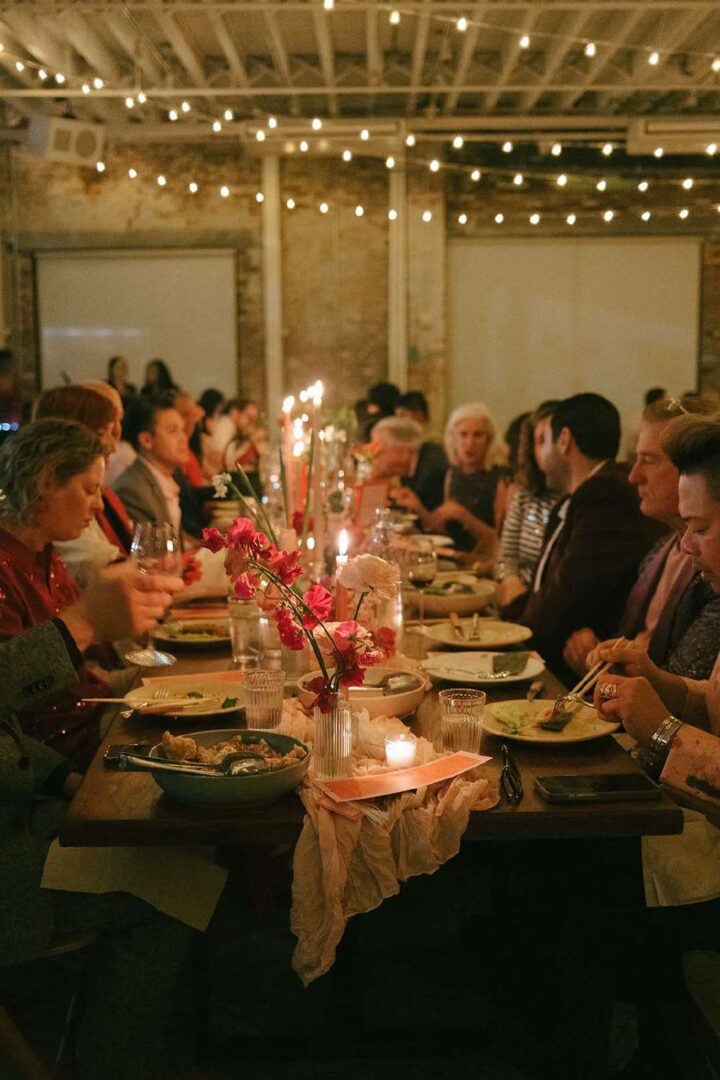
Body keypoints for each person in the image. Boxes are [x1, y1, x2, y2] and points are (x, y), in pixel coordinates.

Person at [0, 565, 202, 1080]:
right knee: (176, 880)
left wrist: (67, 778)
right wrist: (82, 622)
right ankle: (109, 1061)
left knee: (182, 851)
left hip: (26, 809)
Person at [564, 394, 720, 680]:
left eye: (649, 461)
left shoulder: (713, 572)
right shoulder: (660, 549)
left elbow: (691, 689)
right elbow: (632, 646)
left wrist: (609, 672)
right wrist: (598, 653)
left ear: (688, 468)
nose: (633, 476)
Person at [510, 392, 663, 679]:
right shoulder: (583, 495)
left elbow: (568, 596)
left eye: (547, 441)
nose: (634, 475)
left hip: (575, 670)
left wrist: (510, 622)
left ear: (564, 440)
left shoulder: (605, 495)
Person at [0, 419, 122, 766]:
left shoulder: (44, 552)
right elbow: (11, 690)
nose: (99, 504)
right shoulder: (5, 565)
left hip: (93, 725)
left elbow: (83, 675)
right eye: (89, 489)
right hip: (60, 757)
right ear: (46, 483)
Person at [33, 384, 134, 585]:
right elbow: (107, 573)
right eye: (100, 432)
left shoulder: (96, 495)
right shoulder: (55, 511)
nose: (113, 445)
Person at [496, 401, 560, 608]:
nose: (546, 449)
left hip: (550, 605)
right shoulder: (525, 495)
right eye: (539, 441)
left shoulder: (578, 499)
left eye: (549, 440)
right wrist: (511, 581)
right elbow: (507, 556)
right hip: (516, 596)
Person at [431, 402, 509, 554]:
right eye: (463, 434)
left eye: (478, 435)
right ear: (453, 438)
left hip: (485, 563)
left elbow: (500, 541)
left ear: (489, 440)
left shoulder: (501, 478)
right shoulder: (453, 474)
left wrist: (463, 516)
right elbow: (445, 531)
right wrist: (417, 508)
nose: (469, 443)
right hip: (456, 560)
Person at [112, 393, 190, 533]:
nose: (183, 438)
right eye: (173, 431)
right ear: (146, 440)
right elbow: (153, 550)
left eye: (182, 430)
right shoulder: (132, 489)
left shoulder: (166, 477)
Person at [371, 415, 448, 514]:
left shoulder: (432, 470)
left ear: (403, 451)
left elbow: (424, 521)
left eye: (380, 452)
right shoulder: (411, 464)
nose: (374, 458)